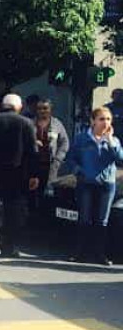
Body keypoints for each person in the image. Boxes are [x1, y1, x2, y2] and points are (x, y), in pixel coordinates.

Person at [0, 94, 39, 258]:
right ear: (19, 107)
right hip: (17, 173)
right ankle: (9, 247)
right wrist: (33, 174)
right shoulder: (26, 123)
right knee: (12, 210)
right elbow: (32, 151)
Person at [64, 107, 123, 266]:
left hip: (106, 184)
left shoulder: (114, 141)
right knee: (84, 218)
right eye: (101, 119)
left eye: (108, 119)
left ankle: (100, 254)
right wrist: (78, 171)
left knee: (102, 220)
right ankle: (80, 252)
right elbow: (70, 158)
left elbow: (120, 158)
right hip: (86, 183)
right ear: (93, 121)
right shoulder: (82, 139)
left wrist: (110, 141)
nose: (105, 123)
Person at [32, 100, 69, 220]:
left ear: (50, 109)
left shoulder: (57, 124)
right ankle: (33, 217)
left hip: (51, 164)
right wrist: (33, 143)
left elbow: (65, 142)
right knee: (33, 190)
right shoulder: (30, 123)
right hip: (34, 164)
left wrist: (58, 158)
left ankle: (47, 217)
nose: (42, 111)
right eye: (40, 108)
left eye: (45, 108)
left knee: (49, 191)